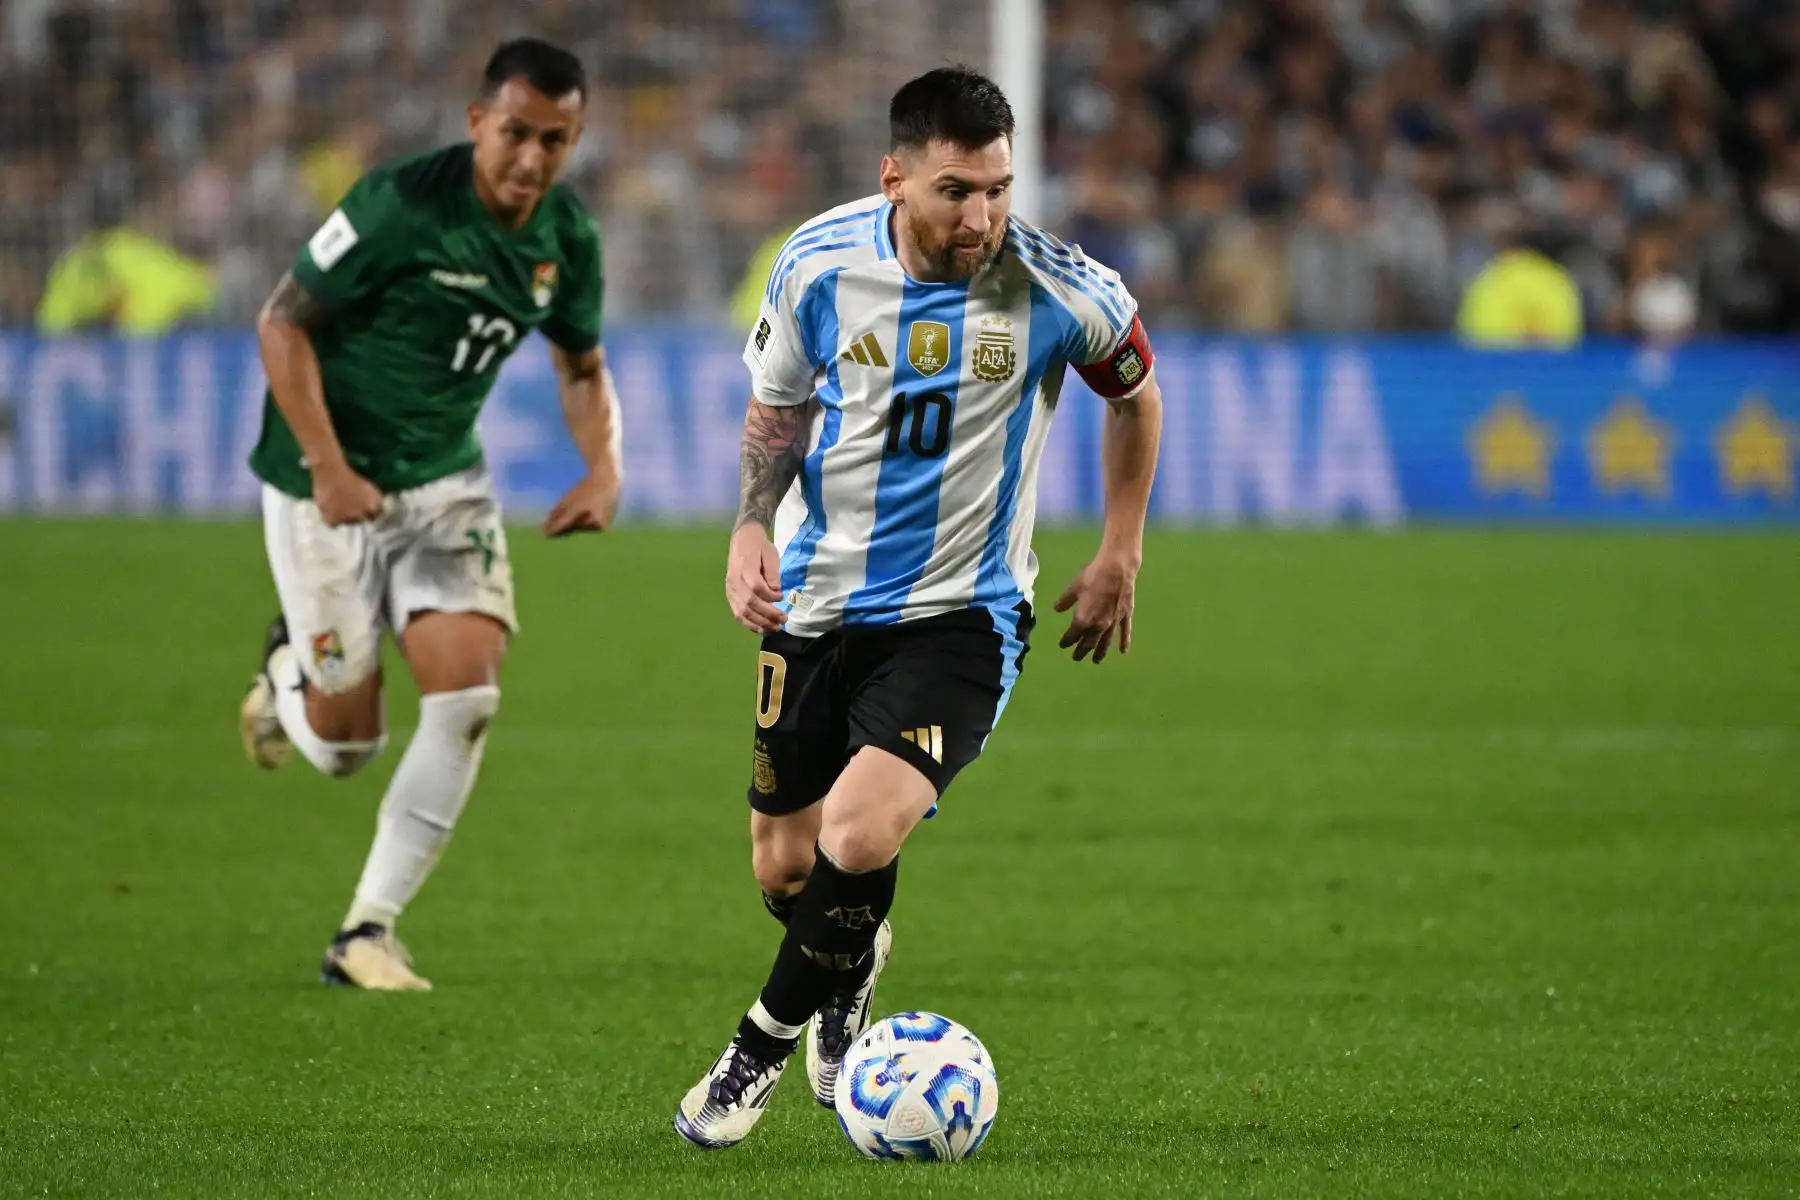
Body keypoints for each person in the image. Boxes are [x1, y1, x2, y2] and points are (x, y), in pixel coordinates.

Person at [674, 65, 1163, 1148]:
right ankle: (850, 968)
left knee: (858, 830)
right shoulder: (816, 262)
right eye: (956, 191)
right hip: (812, 603)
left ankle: (752, 1056)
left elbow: (1136, 393)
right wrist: (751, 524)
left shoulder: (1059, 286)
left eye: (997, 188)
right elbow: (777, 408)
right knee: (787, 866)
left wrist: (1121, 547)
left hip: (963, 616)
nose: (982, 217)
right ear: (895, 178)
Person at [236, 38, 625, 991]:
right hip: (322, 481)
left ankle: (366, 930)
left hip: (444, 480)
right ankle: (287, 668)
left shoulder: (565, 237)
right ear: (476, 123)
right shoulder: (398, 204)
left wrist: (604, 466)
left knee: (467, 700)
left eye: (557, 140)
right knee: (344, 747)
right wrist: (327, 466)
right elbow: (281, 322)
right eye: (517, 134)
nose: (533, 159)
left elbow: (580, 368)